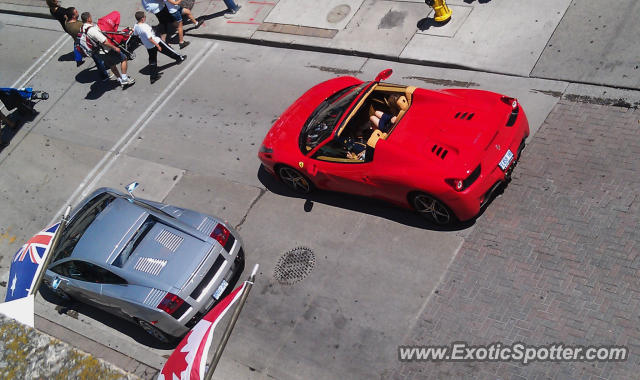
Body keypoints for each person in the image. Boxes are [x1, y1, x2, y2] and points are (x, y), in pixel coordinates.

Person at [81, 12, 135, 88]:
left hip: (97, 53)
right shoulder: (92, 30)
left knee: (112, 64)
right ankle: (125, 78)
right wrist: (115, 48)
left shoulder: (83, 28)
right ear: (89, 18)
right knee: (124, 58)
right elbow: (104, 41)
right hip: (106, 50)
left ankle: (120, 80)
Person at [134, 11, 186, 84]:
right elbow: (150, 38)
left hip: (148, 46)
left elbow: (135, 34)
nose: (145, 17)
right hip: (156, 42)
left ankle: (153, 77)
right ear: (142, 19)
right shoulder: (145, 27)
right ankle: (180, 58)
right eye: (145, 17)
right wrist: (158, 45)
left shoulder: (136, 26)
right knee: (168, 50)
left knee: (152, 60)